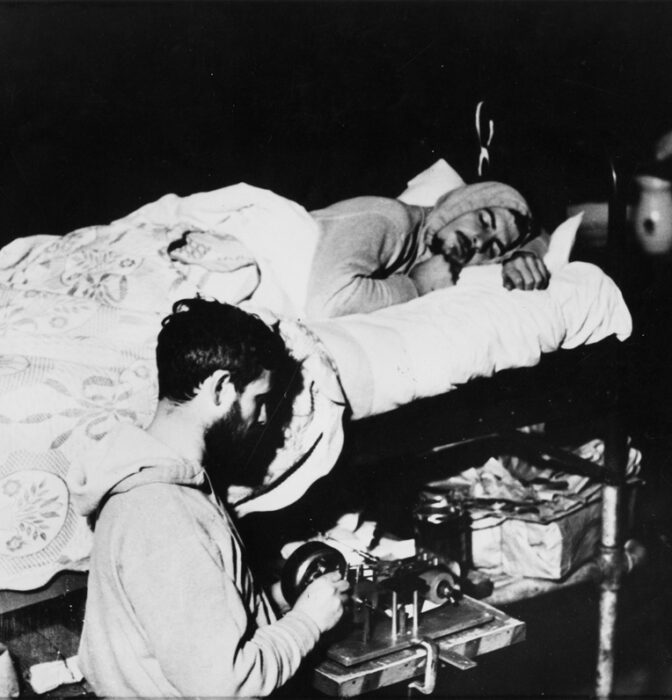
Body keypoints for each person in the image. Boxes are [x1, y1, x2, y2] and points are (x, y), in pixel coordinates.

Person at [69, 297, 350, 698]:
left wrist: (283, 600)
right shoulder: (163, 512)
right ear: (220, 387)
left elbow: (197, 629)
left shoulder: (168, 487)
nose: (264, 418)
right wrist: (308, 621)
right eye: (259, 400)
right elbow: (225, 684)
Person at [305, 181, 550, 319]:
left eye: (493, 247)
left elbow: (545, 235)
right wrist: (417, 285)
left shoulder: (422, 250)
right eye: (484, 221)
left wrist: (525, 255)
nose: (480, 241)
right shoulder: (393, 220)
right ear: (460, 205)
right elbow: (328, 303)